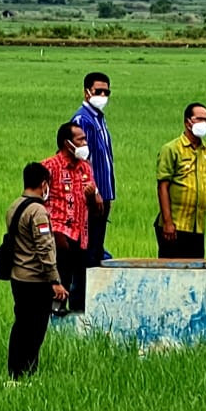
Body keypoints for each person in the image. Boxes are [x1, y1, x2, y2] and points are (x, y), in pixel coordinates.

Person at [6, 161, 68, 379]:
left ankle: (14, 370)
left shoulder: (14, 207)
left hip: (17, 277)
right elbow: (45, 248)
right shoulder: (38, 211)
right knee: (35, 329)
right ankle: (28, 371)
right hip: (36, 280)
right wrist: (55, 280)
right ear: (44, 184)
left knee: (21, 325)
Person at [41, 121, 102, 313]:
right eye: (81, 139)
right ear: (68, 143)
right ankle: (54, 314)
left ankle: (78, 319)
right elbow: (37, 203)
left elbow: (96, 209)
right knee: (60, 277)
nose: (85, 143)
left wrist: (93, 196)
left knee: (81, 281)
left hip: (80, 235)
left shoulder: (85, 168)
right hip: (58, 233)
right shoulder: (49, 167)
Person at [155, 102, 206, 259]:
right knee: (172, 273)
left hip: (197, 227)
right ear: (187, 122)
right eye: (199, 119)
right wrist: (167, 222)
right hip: (175, 226)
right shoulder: (171, 149)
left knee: (195, 274)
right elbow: (162, 187)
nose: (204, 123)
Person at [72, 72, 115, 268]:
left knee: (97, 249)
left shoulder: (99, 119)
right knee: (88, 252)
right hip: (92, 197)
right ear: (87, 92)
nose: (103, 95)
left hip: (103, 195)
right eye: (99, 91)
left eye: (106, 92)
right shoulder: (83, 120)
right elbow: (83, 161)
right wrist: (95, 191)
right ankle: (82, 295)